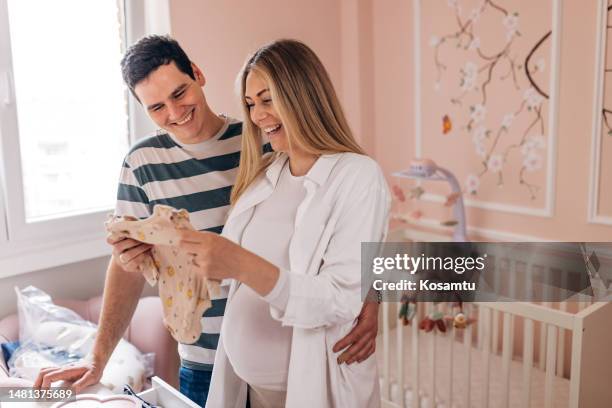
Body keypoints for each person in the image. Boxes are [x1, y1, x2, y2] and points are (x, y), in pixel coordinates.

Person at [33, 35, 380, 407]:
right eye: (156, 107)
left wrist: (371, 300)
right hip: (205, 363)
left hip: (295, 357)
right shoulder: (143, 164)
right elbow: (127, 266)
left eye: (179, 93)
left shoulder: (266, 144)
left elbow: (360, 226)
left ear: (198, 74)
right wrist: (97, 358)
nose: (174, 112)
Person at [177, 39, 390, 408]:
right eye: (249, 104)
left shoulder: (357, 175)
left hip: (312, 385)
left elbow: (340, 296)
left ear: (302, 95)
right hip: (249, 389)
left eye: (267, 98)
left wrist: (240, 263)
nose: (257, 115)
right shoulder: (266, 173)